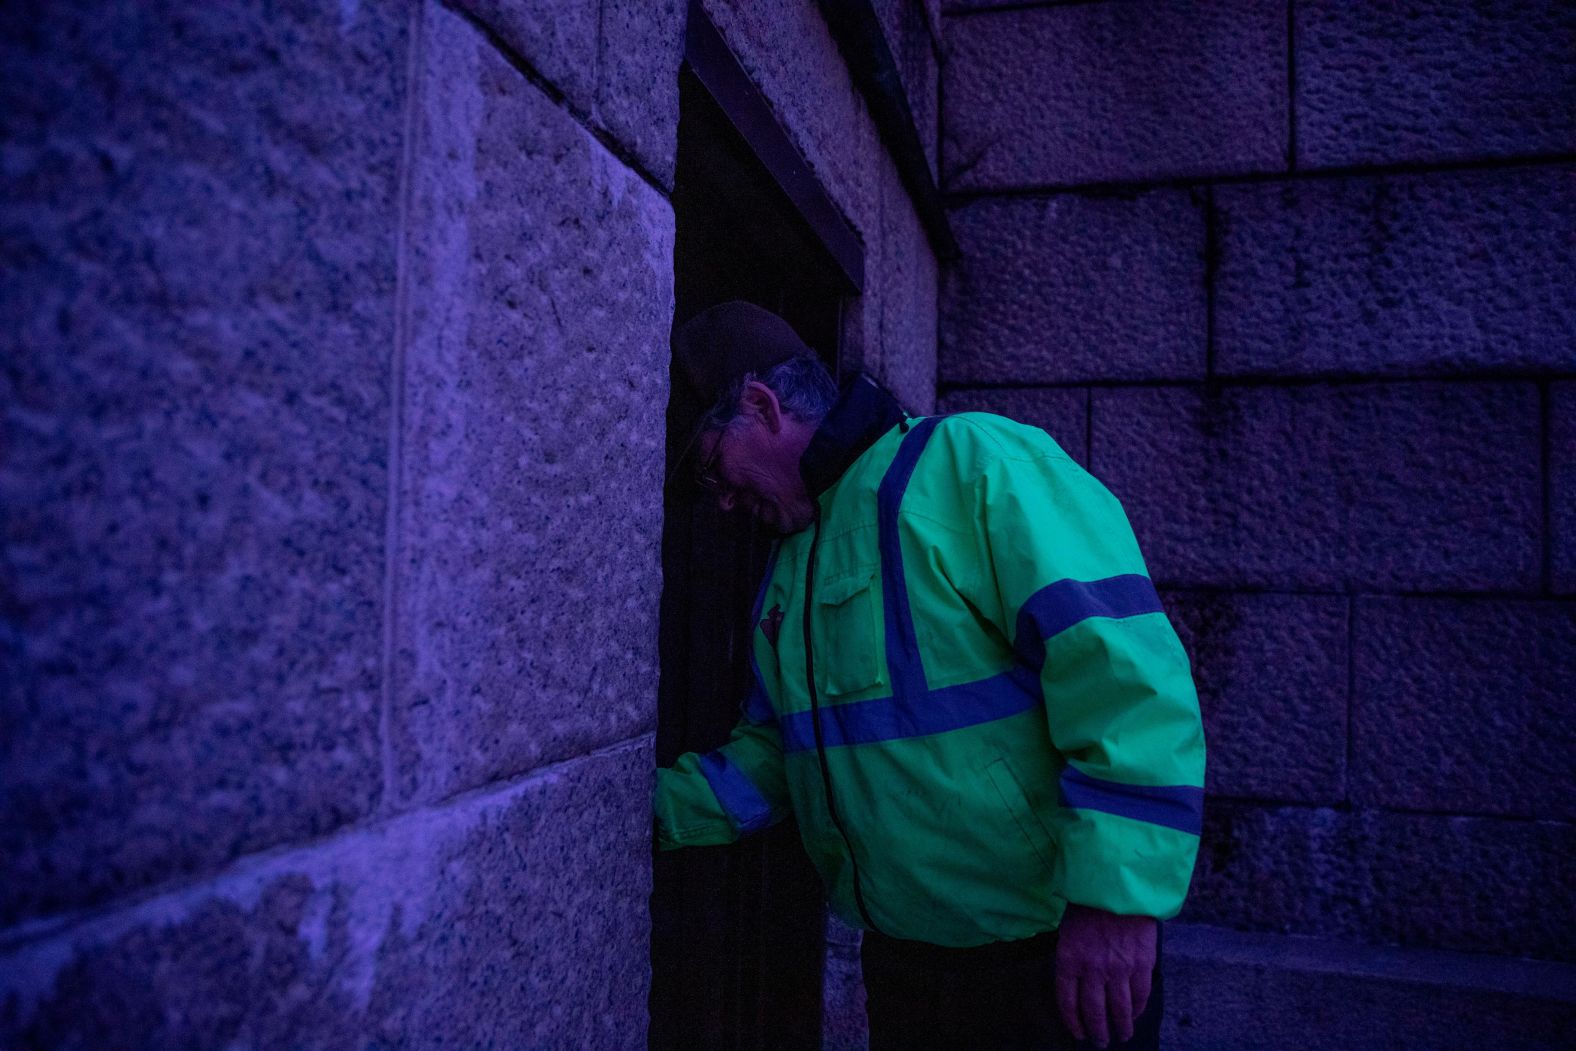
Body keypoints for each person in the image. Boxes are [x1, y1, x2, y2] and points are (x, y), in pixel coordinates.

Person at [655, 301, 1205, 1050]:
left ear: (761, 407)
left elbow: (1126, 677)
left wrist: (1117, 903)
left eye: (713, 462)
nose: (719, 497)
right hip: (909, 973)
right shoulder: (789, 570)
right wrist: (650, 810)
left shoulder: (973, 463)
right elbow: (776, 755)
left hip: (1049, 970)